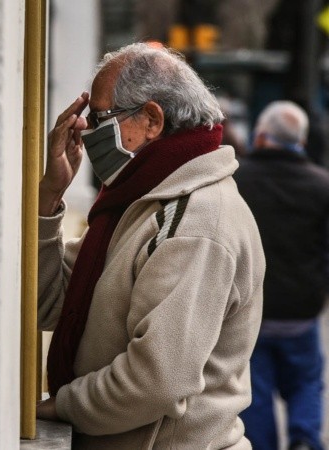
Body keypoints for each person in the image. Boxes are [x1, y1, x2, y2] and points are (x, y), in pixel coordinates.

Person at [34, 43, 265, 449]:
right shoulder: (140, 202)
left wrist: (63, 405)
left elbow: (156, 380)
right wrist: (49, 197)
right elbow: (50, 302)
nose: (86, 131)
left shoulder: (195, 219)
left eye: (100, 117)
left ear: (153, 119)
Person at [234, 101, 329, 450]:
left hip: (252, 312)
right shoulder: (323, 186)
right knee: (305, 382)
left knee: (255, 391)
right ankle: (305, 438)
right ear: (301, 142)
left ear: (260, 137)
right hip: (301, 314)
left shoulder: (237, 180)